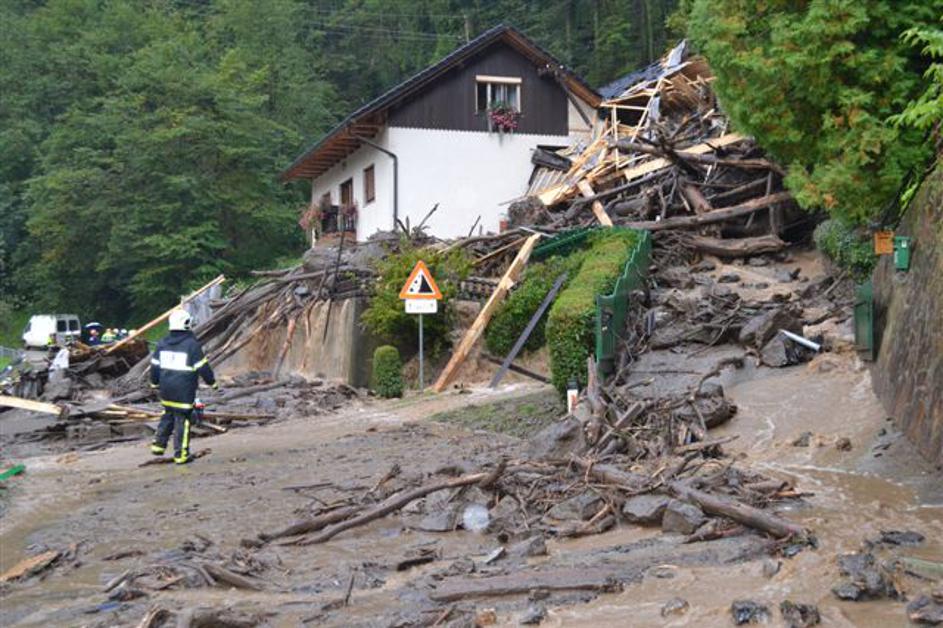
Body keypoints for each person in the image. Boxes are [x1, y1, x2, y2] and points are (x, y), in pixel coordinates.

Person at [149, 309, 217, 464]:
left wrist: (154, 383)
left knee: (167, 414)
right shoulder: (191, 345)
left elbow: (154, 367)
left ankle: (158, 445)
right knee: (182, 420)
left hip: (166, 389)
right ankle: (181, 454)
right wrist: (212, 383)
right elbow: (203, 367)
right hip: (184, 390)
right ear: (186, 324)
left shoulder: (162, 343)